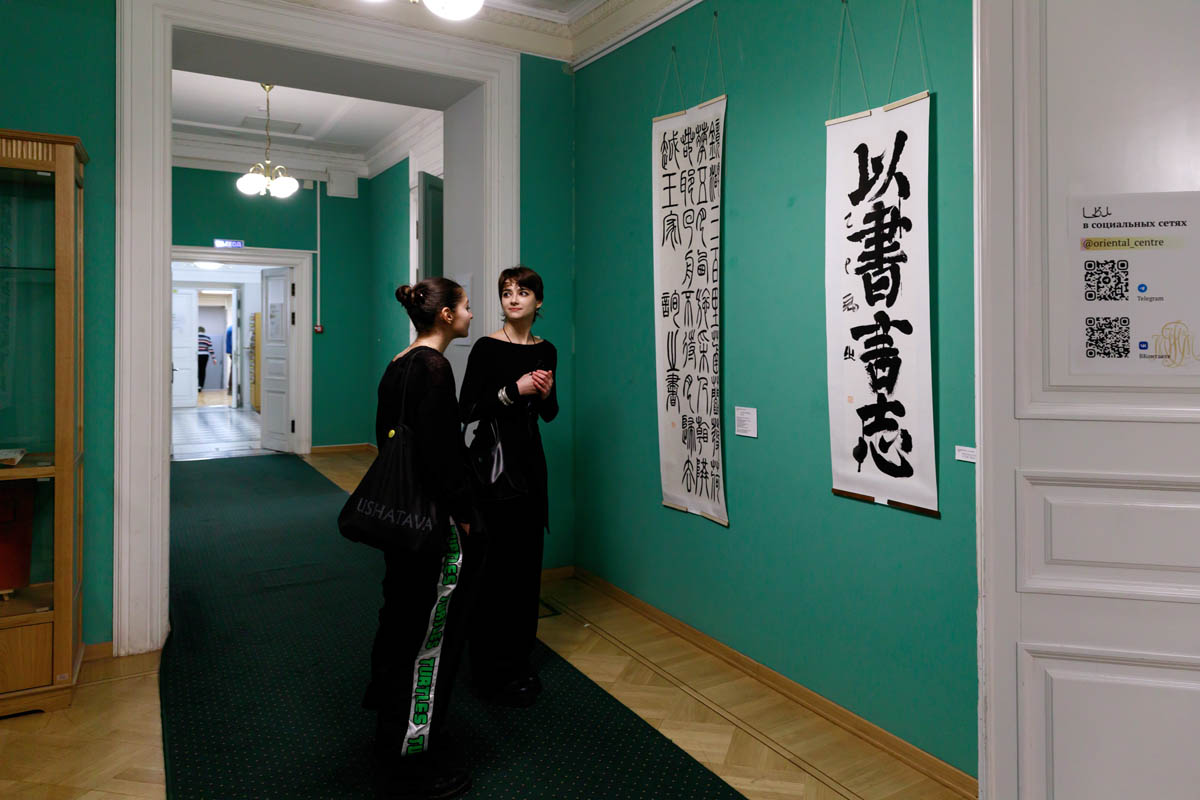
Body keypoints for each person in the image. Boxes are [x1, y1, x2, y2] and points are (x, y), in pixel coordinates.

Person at [365, 277, 479, 800]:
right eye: (467, 306)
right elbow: (442, 455)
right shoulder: (435, 367)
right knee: (430, 636)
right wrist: (464, 514)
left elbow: (385, 437)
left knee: (400, 621)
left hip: (400, 520)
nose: (472, 313)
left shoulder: (398, 362)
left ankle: (395, 729)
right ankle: (412, 762)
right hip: (432, 524)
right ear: (447, 316)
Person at [459, 265, 558, 707]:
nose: (513, 299)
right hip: (493, 468)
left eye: (523, 292)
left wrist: (546, 392)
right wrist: (512, 391)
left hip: (530, 466)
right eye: (506, 292)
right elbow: (466, 410)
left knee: (526, 569)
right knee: (493, 571)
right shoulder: (486, 347)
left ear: (538, 301)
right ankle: (489, 667)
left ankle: (519, 662)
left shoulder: (547, 350)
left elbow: (550, 414)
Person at [197, 327, 214, 391]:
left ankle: (195, 385)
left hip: (196, 355)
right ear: (204, 331)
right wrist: (213, 358)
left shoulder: (194, 337)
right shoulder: (207, 338)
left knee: (196, 370)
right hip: (205, 355)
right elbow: (210, 349)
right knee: (202, 370)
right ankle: (200, 386)